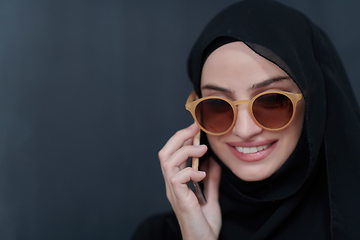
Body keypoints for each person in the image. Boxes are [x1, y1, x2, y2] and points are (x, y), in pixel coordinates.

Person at [132, 0, 360, 239]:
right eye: (217, 105)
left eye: (272, 101)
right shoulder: (157, 235)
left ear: (314, 99)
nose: (244, 130)